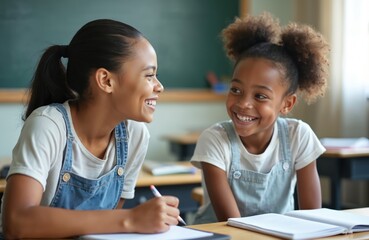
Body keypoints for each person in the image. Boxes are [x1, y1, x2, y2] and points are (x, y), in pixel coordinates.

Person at [0, 19, 182, 239]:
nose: (159, 86)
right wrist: (132, 219)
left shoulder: (135, 134)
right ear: (106, 80)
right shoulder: (47, 125)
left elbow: (106, 229)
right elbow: (17, 222)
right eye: (149, 75)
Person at [190, 12, 329, 224]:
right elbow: (233, 225)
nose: (244, 103)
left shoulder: (298, 135)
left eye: (260, 96)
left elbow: (314, 220)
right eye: (236, 89)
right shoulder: (215, 140)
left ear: (287, 104)